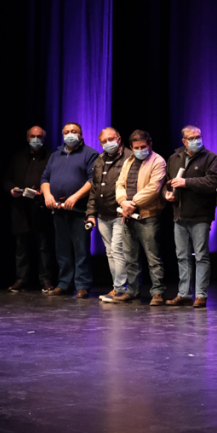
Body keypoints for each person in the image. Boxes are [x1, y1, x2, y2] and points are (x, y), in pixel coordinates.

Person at [163, 125, 217, 308]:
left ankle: (201, 295)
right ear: (184, 141)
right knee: (182, 256)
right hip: (179, 215)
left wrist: (186, 182)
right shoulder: (174, 158)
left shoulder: (211, 158)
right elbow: (167, 182)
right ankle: (184, 294)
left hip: (200, 215)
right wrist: (167, 194)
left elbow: (213, 181)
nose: (197, 140)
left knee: (201, 256)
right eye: (192, 138)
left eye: (199, 136)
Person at [41, 122, 98, 299]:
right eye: (67, 132)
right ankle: (64, 284)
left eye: (74, 131)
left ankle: (82, 285)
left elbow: (93, 180)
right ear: (62, 134)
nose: (70, 134)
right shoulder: (55, 155)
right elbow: (45, 178)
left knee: (81, 250)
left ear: (81, 135)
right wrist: (47, 195)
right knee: (62, 249)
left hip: (79, 210)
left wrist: (75, 197)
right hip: (58, 210)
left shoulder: (90, 153)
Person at [115, 130, 168, 306]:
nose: (140, 150)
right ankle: (132, 290)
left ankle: (157, 292)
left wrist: (132, 203)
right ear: (131, 147)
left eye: (143, 147)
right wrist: (123, 202)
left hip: (147, 216)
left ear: (150, 144)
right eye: (136, 147)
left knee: (153, 257)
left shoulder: (158, 161)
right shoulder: (129, 161)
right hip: (128, 214)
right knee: (130, 256)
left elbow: (154, 188)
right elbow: (120, 183)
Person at [3, 126, 57, 293]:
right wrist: (12, 189)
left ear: (44, 139)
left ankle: (46, 280)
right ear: (27, 138)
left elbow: (56, 179)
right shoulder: (18, 157)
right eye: (33, 136)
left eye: (39, 136)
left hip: (41, 208)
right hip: (20, 209)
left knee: (44, 246)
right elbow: (7, 179)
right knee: (21, 247)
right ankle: (21, 279)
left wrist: (45, 192)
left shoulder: (51, 157)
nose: (35, 139)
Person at [85, 127, 133, 304]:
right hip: (102, 214)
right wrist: (91, 213)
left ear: (119, 139)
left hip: (120, 212)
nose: (108, 143)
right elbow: (94, 189)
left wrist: (129, 207)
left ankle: (122, 289)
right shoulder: (99, 159)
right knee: (110, 252)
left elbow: (133, 185)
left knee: (118, 250)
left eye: (111, 139)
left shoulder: (129, 157)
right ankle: (117, 287)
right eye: (104, 141)